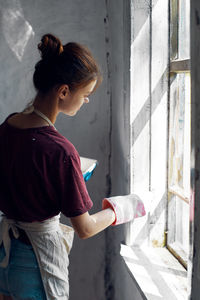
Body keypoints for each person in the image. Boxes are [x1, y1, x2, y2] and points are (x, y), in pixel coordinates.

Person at [0, 34, 145, 300]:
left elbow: (21, 175)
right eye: (86, 94)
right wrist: (123, 208)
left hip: (5, 258)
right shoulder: (61, 151)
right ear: (64, 91)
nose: (87, 101)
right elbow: (85, 228)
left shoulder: (9, 125)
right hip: (37, 263)